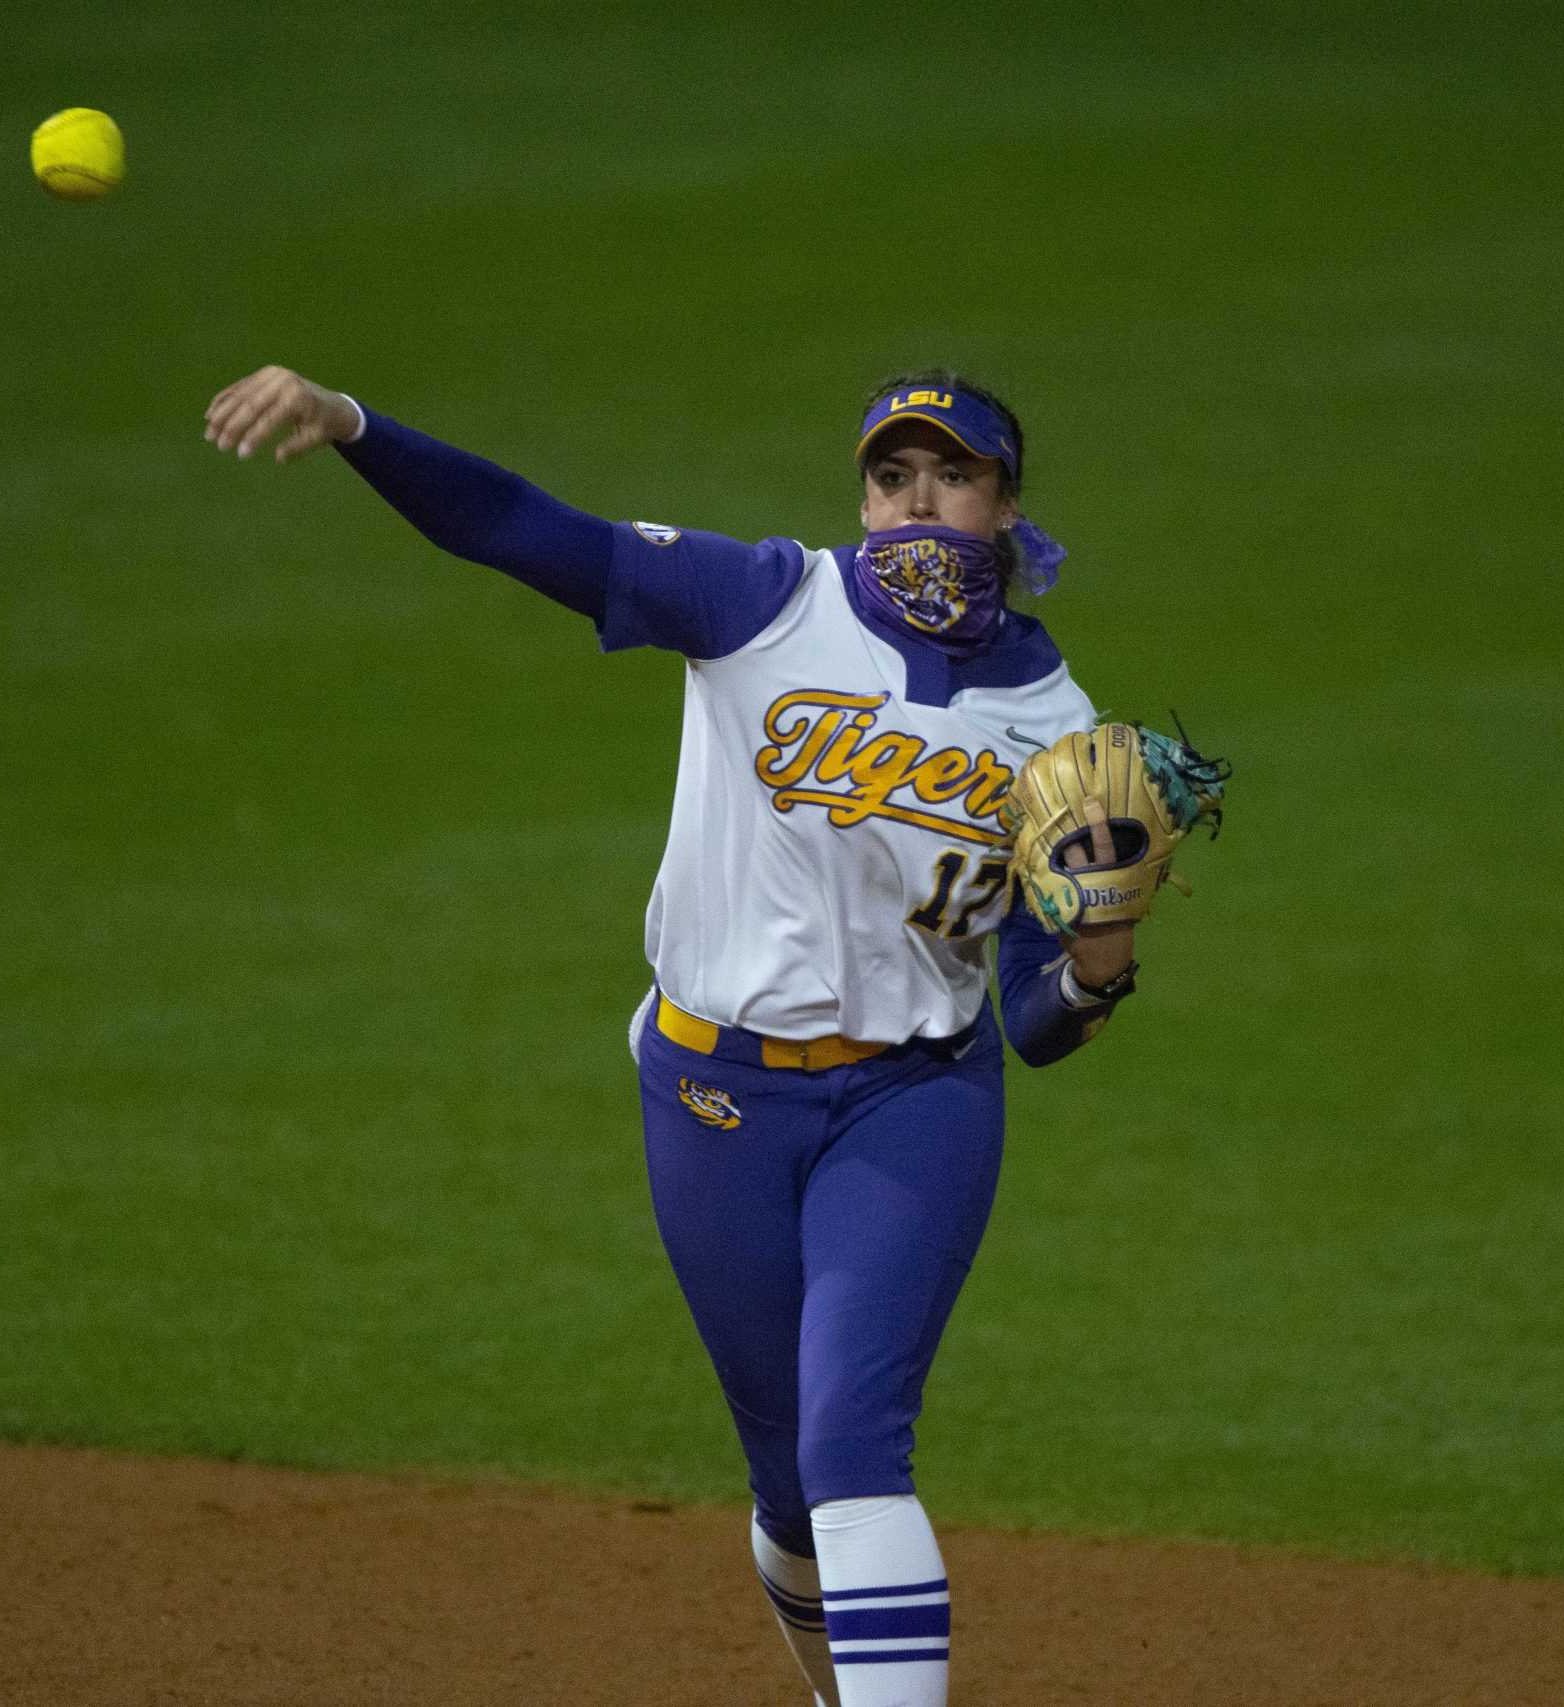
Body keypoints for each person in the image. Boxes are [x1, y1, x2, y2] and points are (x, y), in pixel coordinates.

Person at [204, 363, 1148, 1706]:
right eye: (894, 477)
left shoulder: (1061, 734)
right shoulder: (762, 599)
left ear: (1004, 505)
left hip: (917, 1102)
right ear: (863, 498)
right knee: (792, 1487)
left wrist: (1101, 963)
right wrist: (357, 426)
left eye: (952, 477)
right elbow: (528, 530)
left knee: (853, 1442)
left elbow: (1040, 1023)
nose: (918, 503)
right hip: (713, 1098)